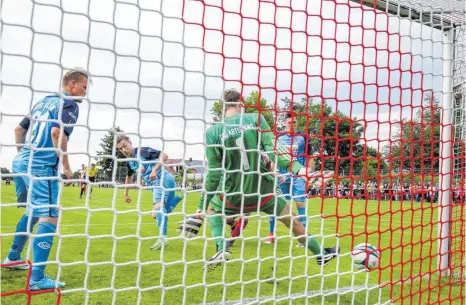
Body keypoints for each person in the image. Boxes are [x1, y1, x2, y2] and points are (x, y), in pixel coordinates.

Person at [177, 88, 338, 271]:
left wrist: (201, 207)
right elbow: (273, 150)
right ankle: (321, 255)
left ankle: (222, 248)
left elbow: (214, 172)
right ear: (242, 103)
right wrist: (299, 169)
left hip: (233, 195)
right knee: (293, 221)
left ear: (223, 106)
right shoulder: (255, 119)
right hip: (263, 192)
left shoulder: (213, 132)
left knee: (213, 209)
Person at [3, 68, 88, 291]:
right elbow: (56, 134)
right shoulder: (69, 104)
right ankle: (37, 278)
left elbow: (18, 129)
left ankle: (13, 257)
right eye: (84, 87)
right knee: (49, 215)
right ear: (72, 85)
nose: (85, 93)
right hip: (42, 166)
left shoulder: (42, 102)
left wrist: (24, 155)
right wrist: (68, 169)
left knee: (32, 211)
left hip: (21, 162)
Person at [117, 136, 183, 250]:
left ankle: (163, 238)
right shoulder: (130, 163)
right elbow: (129, 177)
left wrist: (154, 169)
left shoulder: (141, 151)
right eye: (120, 149)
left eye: (124, 146)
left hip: (161, 179)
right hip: (164, 182)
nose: (123, 150)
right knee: (157, 213)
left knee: (158, 209)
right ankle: (182, 195)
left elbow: (165, 155)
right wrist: (125, 194)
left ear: (130, 142)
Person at [266, 113, 318, 247]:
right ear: (284, 123)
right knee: (275, 203)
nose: (291, 125)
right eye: (289, 122)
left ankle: (302, 237)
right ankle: (271, 235)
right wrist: (273, 172)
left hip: (298, 175)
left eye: (294, 122)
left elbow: (311, 156)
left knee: (300, 204)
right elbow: (273, 155)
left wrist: (308, 172)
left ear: (297, 123)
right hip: (281, 175)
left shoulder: (303, 137)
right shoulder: (278, 137)